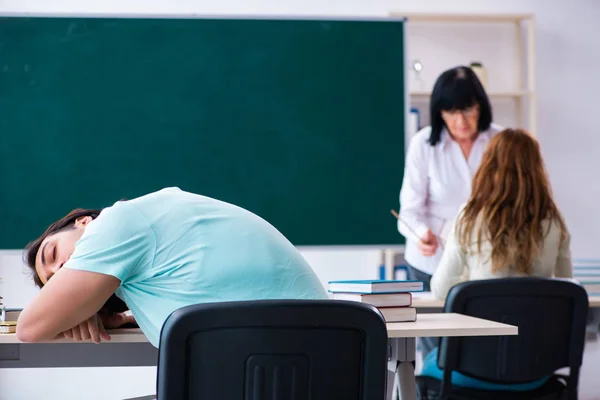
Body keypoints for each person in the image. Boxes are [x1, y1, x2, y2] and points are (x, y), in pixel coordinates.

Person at [16, 187, 328, 347]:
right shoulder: (153, 225)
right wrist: (108, 315)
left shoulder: (114, 224)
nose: (61, 269)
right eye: (54, 278)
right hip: (321, 359)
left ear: (82, 222)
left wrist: (67, 312)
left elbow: (30, 329)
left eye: (52, 253)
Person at [421, 128, 572, 391]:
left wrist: (472, 282)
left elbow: (441, 289)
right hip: (536, 369)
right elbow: (565, 286)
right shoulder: (554, 222)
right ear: (537, 169)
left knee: (428, 363)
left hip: (473, 367)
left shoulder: (468, 217)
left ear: (488, 167)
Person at [398, 65, 502, 358]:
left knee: (481, 353)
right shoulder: (424, 144)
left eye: (468, 110)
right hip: (432, 264)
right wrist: (421, 234)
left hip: (486, 265)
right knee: (438, 355)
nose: (461, 120)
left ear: (481, 106)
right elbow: (410, 209)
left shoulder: (500, 141)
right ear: (439, 111)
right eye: (451, 111)